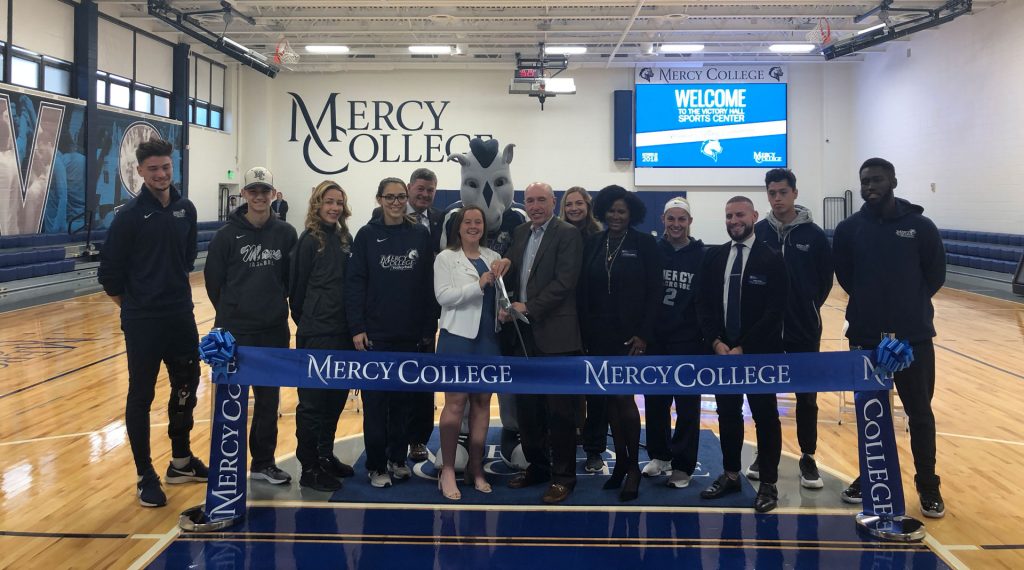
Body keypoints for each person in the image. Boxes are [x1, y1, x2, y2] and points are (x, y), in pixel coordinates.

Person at [833, 157, 947, 518]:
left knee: (920, 414)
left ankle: (927, 484)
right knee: (870, 413)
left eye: (877, 180)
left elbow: (935, 276)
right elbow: (847, 277)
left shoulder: (920, 227)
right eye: (865, 181)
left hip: (913, 339)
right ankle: (871, 475)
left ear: (893, 181)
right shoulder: (849, 229)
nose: (870, 187)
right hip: (866, 338)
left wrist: (907, 308)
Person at [97, 138, 206, 508]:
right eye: (153, 169)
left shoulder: (185, 209)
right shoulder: (128, 217)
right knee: (141, 395)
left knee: (187, 385)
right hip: (143, 321)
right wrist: (136, 307)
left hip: (181, 316)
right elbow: (109, 276)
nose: (161, 174)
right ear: (140, 171)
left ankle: (181, 461)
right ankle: (145, 474)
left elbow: (187, 259)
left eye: (166, 167)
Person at [491, 181, 584, 505]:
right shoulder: (520, 233)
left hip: (556, 335)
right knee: (527, 410)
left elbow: (565, 282)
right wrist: (504, 263)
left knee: (560, 413)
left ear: (553, 202)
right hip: (522, 335)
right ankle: (539, 467)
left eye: (541, 200)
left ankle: (564, 477)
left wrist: (529, 307)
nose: (535, 206)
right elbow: (515, 269)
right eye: (530, 201)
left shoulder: (568, 234)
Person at [205, 166, 298, 487]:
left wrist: (272, 305)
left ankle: (263, 463)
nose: (259, 196)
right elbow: (214, 284)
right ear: (244, 194)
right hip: (234, 333)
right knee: (231, 401)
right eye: (253, 191)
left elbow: (289, 279)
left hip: (273, 329)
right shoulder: (225, 236)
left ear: (274, 194)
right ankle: (227, 465)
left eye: (265, 191)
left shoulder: (286, 233)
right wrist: (234, 313)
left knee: (269, 401)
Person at [695, 196, 787, 513]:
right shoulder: (715, 256)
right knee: (728, 414)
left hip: (758, 355)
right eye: (729, 216)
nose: (734, 221)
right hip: (722, 354)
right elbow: (703, 304)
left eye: (740, 215)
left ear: (754, 216)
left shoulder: (772, 258)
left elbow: (775, 311)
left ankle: (769, 484)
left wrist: (744, 347)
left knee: (765, 417)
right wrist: (715, 342)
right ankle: (731, 474)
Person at [346, 177, 437, 488]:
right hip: (376, 336)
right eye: (390, 197)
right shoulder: (367, 235)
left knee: (402, 403)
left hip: (410, 335)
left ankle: (397, 459)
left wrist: (428, 326)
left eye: (400, 197)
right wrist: (357, 327)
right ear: (379, 199)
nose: (396, 202)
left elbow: (428, 285)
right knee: (375, 405)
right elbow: (355, 283)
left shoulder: (420, 235)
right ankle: (376, 465)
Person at [577, 185, 662, 502]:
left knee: (625, 400)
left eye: (622, 211)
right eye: (611, 210)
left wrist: (644, 334)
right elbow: (583, 291)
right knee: (609, 401)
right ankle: (622, 462)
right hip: (598, 336)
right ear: (602, 212)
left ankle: (633, 468)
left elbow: (655, 291)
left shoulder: (645, 244)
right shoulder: (594, 242)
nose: (615, 216)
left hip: (630, 338)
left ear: (632, 214)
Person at [750, 168, 833, 489]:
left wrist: (806, 307)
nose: (777, 198)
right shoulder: (759, 232)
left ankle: (808, 456)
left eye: (783, 192)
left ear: (795, 193)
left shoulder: (814, 236)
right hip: (766, 331)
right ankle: (765, 454)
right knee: (764, 397)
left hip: (803, 330)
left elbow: (824, 282)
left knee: (806, 398)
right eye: (772, 193)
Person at [289, 180, 357, 492]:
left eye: (339, 203)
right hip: (317, 335)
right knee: (313, 405)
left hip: (343, 333)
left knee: (335, 400)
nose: (334, 208)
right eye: (329, 202)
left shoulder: (345, 238)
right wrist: (312, 322)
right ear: (317, 204)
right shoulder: (308, 241)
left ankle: (325, 455)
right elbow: (297, 292)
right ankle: (309, 467)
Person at [372, 168, 443, 463]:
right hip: (388, 322)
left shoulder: (441, 220)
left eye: (430, 190)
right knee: (391, 391)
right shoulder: (378, 222)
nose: (424, 195)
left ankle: (418, 439)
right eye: (420, 189)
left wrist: (431, 318)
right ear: (409, 188)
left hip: (424, 316)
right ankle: (391, 446)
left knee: (423, 384)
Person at [433, 206, 501, 500]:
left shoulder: (493, 256)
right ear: (458, 227)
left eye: (478, 222)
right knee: (456, 403)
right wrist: (478, 284)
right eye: (468, 222)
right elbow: (443, 297)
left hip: (488, 339)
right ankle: (448, 469)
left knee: (482, 402)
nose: (473, 226)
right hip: (456, 339)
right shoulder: (446, 258)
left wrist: (505, 311)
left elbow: (498, 297)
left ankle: (476, 466)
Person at [642, 197, 707, 490]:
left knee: (687, 405)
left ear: (690, 222)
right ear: (663, 220)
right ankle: (660, 455)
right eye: (671, 219)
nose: (676, 224)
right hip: (656, 338)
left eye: (682, 219)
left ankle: (682, 465)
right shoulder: (653, 251)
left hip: (688, 339)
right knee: (656, 400)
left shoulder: (702, 255)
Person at [559, 186, 607, 472]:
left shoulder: (600, 239)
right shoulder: (555, 235)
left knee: (595, 391)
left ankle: (594, 448)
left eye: (579, 203)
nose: (574, 208)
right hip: (561, 321)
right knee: (563, 389)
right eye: (569, 204)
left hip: (593, 323)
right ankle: (563, 440)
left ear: (588, 206)